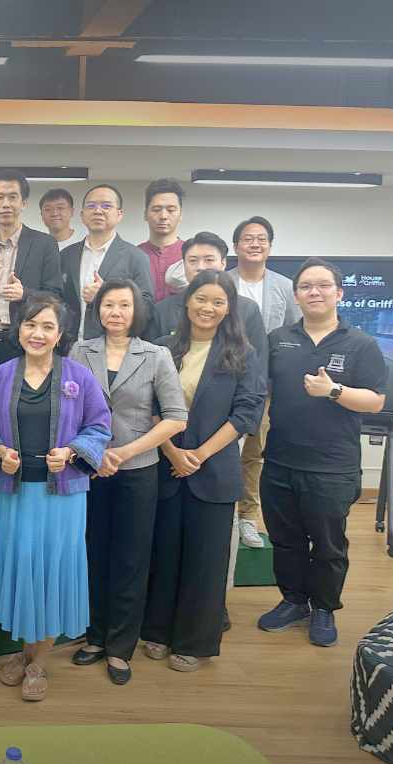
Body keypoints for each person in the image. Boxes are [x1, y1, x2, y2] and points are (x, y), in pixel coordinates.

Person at [0, 293, 112, 702]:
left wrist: (71, 452)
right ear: (18, 328)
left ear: (61, 334)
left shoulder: (80, 376)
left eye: (47, 327)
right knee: (23, 569)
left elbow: (100, 426)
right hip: (16, 492)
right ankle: (24, 651)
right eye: (30, 324)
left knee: (54, 571)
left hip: (64, 496)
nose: (37, 334)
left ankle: (40, 661)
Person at [257, 258, 386, 648]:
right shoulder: (278, 338)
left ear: (339, 293)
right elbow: (260, 388)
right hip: (279, 460)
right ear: (295, 296)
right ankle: (294, 601)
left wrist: (334, 391)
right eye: (306, 286)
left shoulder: (361, 343)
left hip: (332, 466)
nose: (315, 292)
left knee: (328, 545)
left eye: (323, 285)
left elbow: (375, 402)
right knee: (286, 540)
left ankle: (325, 607)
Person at [142, 269, 265, 672]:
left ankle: (194, 641)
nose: (207, 308)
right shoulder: (163, 348)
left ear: (229, 309)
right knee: (163, 553)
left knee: (206, 561)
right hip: (164, 466)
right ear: (187, 301)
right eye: (201, 298)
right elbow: (147, 404)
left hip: (213, 470)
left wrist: (198, 455)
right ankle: (158, 630)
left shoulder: (241, 354)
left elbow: (246, 412)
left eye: (218, 301)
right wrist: (171, 451)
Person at [69, 279, 187, 685]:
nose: (115, 312)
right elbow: (68, 410)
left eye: (123, 305)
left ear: (137, 311)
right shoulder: (79, 351)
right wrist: (93, 453)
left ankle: (120, 646)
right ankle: (95, 637)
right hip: (88, 469)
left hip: (137, 470)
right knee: (93, 554)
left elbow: (175, 417)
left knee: (131, 559)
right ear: (97, 310)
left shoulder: (156, 355)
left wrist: (123, 453)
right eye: (108, 304)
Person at [0, 169, 61, 523]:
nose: (6, 203)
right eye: (0, 197)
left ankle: (13, 487)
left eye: (13, 197)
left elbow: (56, 296)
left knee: (15, 416)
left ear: (24, 202)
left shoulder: (44, 244)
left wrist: (26, 294)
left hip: (23, 344)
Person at [228, 217, 300, 551]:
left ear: (270, 246)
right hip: (222, 379)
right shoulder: (222, 282)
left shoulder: (284, 287)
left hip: (263, 385)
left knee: (254, 452)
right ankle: (223, 513)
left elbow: (294, 334)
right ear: (235, 246)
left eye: (261, 239)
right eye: (247, 238)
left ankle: (247, 516)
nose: (254, 244)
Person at [144, 232, 267, 370]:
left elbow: (259, 365)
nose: (200, 267)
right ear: (184, 265)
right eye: (193, 261)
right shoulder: (162, 310)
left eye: (209, 260)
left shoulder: (248, 309)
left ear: (223, 264)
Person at [61, 184, 155, 343]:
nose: (98, 211)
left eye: (106, 206)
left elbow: (147, 308)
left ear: (119, 214)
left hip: (112, 346)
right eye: (91, 206)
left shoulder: (135, 257)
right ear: (82, 215)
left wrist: (104, 294)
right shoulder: (66, 255)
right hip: (68, 345)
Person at [138, 178, 185, 304]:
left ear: (180, 214)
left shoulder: (192, 256)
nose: (163, 216)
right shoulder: (133, 255)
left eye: (171, 210)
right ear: (145, 214)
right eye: (156, 210)